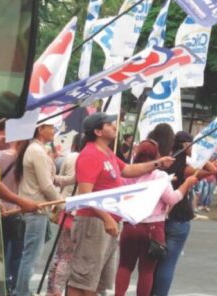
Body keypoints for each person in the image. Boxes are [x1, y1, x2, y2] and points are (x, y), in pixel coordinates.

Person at [67, 112, 175, 296]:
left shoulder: (107, 153)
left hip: (106, 223)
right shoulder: (90, 154)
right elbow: (86, 194)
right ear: (98, 131)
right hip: (93, 223)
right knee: (83, 278)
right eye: (109, 124)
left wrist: (157, 163)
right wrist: (107, 218)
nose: (114, 126)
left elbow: (128, 169)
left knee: (96, 279)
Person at [114, 140, 198, 296]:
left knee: (124, 266)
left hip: (130, 225)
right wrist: (186, 184)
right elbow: (172, 199)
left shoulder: (127, 174)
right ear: (156, 156)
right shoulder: (159, 176)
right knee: (147, 271)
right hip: (153, 228)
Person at [152, 131, 217, 296]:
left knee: (154, 263)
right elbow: (212, 170)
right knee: (168, 263)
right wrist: (196, 153)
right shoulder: (184, 168)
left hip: (159, 217)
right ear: (185, 145)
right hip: (178, 217)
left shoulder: (163, 162)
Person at [14, 120, 75, 296]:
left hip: (36, 209)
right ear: (40, 129)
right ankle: (22, 292)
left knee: (30, 254)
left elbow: (53, 179)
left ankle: (22, 290)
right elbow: (47, 186)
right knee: (30, 257)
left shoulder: (36, 150)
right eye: (51, 128)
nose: (54, 131)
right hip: (36, 209)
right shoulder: (36, 151)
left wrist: (74, 177)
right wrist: (63, 204)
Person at [46, 134, 81, 296]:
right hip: (75, 211)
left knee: (60, 254)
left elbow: (63, 178)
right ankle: (58, 290)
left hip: (65, 207)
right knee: (67, 256)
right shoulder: (82, 158)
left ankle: (51, 288)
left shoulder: (70, 156)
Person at [0, 139, 29, 294]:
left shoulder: (1, 156)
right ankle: (13, 285)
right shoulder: (24, 158)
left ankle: (1, 285)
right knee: (17, 252)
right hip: (17, 209)